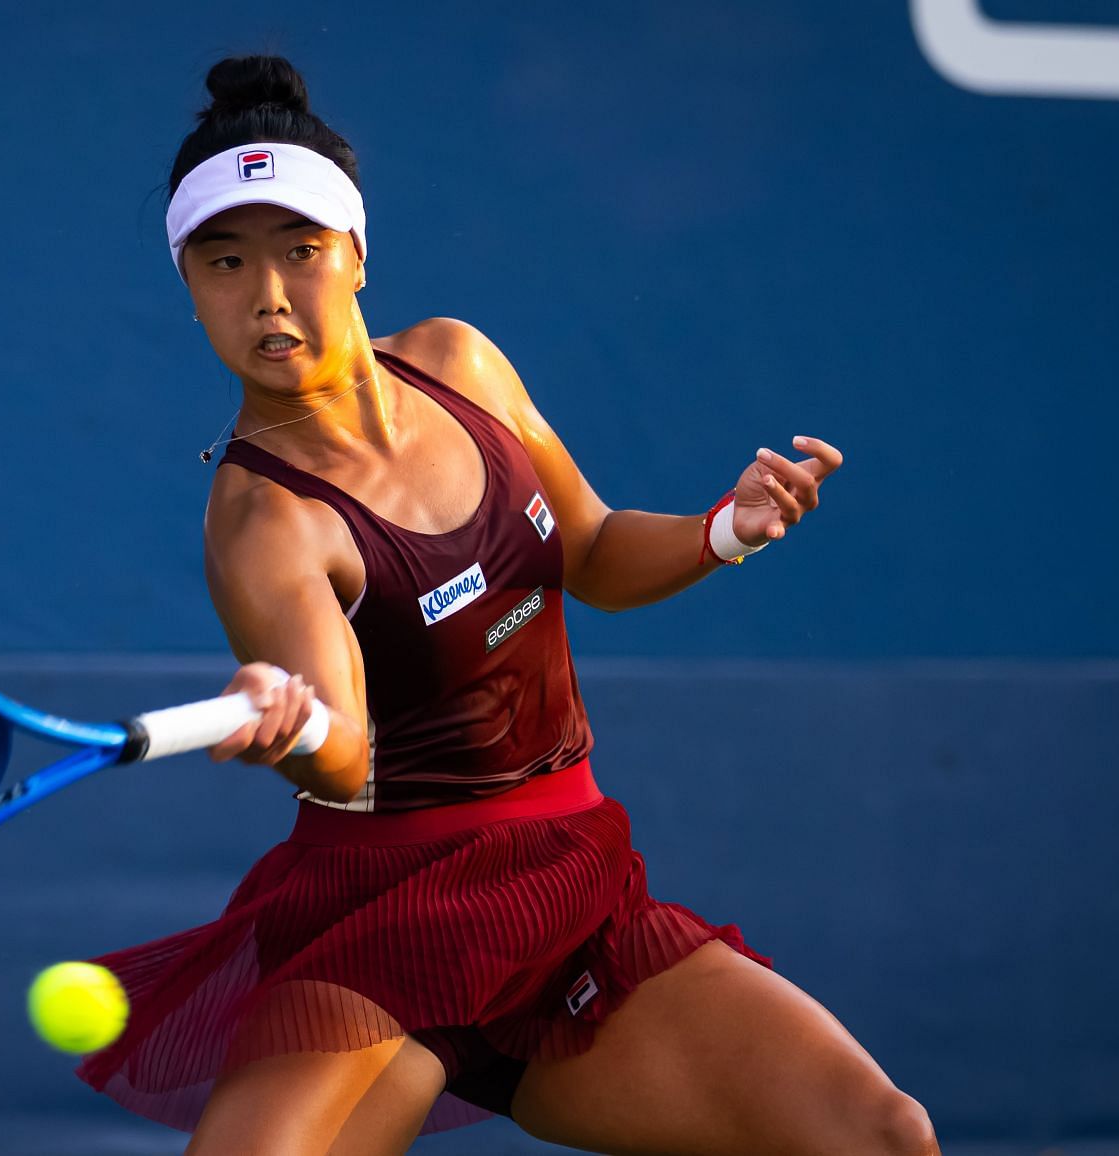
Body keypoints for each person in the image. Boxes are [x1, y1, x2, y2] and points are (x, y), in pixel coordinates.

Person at [77, 55, 938, 1156]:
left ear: (357, 257)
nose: (269, 294)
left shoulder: (460, 365)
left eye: (300, 252)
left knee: (879, 1136)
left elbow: (597, 553)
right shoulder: (264, 523)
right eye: (226, 262)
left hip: (569, 897)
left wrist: (726, 527)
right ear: (190, 288)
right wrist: (296, 728)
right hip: (385, 929)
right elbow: (345, 758)